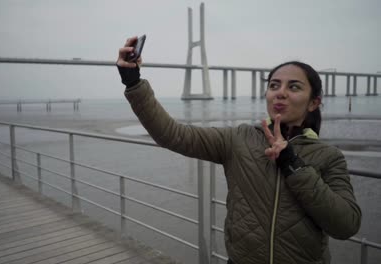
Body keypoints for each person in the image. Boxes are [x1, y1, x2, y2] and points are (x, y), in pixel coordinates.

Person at [116, 36, 361, 264]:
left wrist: (293, 164)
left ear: (314, 101)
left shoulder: (329, 156)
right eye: (274, 85)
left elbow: (346, 225)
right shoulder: (239, 139)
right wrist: (133, 82)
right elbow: (172, 134)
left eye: (294, 87)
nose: (281, 93)